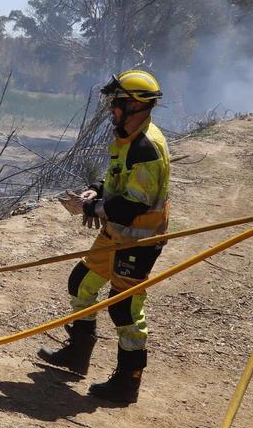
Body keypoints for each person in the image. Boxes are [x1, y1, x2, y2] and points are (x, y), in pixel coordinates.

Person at [40, 70, 170, 404]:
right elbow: (116, 182)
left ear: (135, 105)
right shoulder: (127, 136)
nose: (111, 108)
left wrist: (90, 209)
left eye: (117, 102)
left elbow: (131, 205)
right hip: (117, 232)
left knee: (125, 308)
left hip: (138, 240)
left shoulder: (146, 147)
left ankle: (127, 381)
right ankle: (77, 355)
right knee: (81, 283)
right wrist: (94, 190)